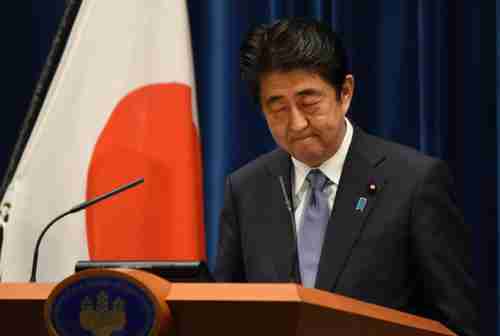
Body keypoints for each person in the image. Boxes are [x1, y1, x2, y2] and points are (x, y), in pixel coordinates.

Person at [214, 18, 477, 336]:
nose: (297, 123)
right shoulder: (246, 189)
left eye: (309, 103)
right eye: (278, 108)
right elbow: (224, 315)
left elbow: (456, 324)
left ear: (345, 93)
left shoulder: (414, 183)